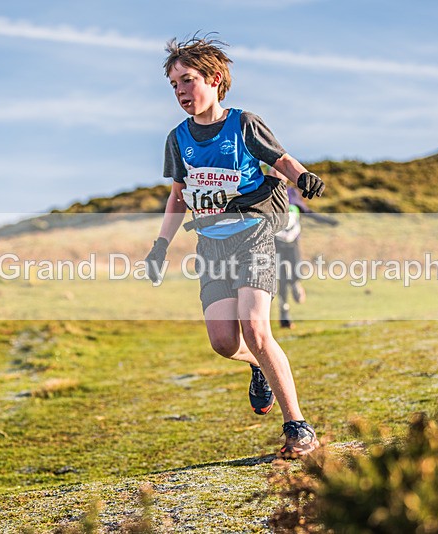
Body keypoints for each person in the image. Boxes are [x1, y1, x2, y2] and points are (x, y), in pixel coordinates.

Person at [144, 34, 326, 459]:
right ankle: (256, 364)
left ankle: (298, 427)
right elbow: (178, 196)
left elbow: (280, 159)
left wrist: (302, 177)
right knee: (224, 342)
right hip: (211, 246)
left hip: (252, 234)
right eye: (174, 85)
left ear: (214, 79)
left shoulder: (243, 124)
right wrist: (160, 246)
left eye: (187, 80)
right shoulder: (178, 139)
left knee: (256, 329)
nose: (180, 91)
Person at [269, 167, 339, 329]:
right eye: (273, 172)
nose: (277, 174)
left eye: (279, 172)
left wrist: (328, 221)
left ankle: (295, 283)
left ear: (286, 177)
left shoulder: (292, 193)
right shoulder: (265, 194)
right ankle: (284, 317)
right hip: (275, 244)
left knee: (295, 271)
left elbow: (306, 211)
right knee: (281, 280)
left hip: (292, 242)